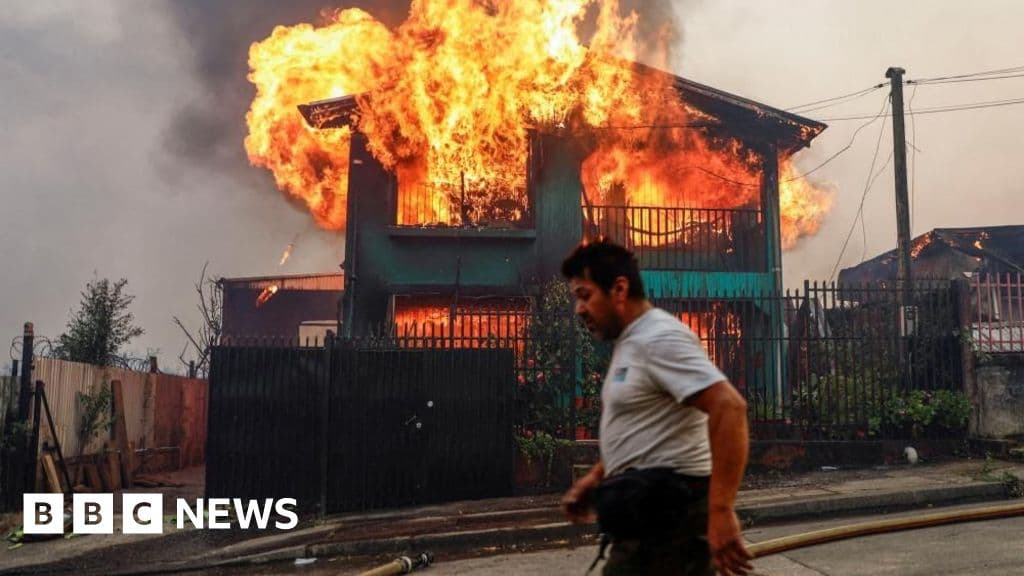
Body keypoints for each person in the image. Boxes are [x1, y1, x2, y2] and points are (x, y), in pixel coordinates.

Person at [559, 239, 753, 576]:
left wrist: (721, 511)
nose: (579, 309)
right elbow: (645, 430)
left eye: (585, 295)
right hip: (646, 526)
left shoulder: (659, 338)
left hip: (668, 527)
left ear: (619, 288)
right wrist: (596, 478)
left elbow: (729, 407)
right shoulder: (632, 341)